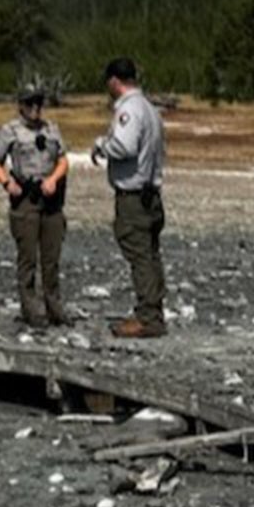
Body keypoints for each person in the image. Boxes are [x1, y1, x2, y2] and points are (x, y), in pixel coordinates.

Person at [90, 56, 168, 338]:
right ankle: (153, 309)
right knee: (150, 253)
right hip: (151, 193)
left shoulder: (129, 110)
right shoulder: (149, 108)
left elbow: (124, 145)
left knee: (139, 255)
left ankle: (148, 317)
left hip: (134, 196)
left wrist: (101, 145)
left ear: (114, 80)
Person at [0, 84, 72, 328]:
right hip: (26, 197)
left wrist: (54, 179)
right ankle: (31, 309)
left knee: (51, 257)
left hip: (51, 199)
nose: (35, 108)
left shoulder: (52, 129)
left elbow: (63, 160)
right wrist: (7, 183)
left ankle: (54, 307)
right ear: (21, 105)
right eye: (29, 103)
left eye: (38, 103)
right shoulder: (9, 131)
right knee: (28, 258)